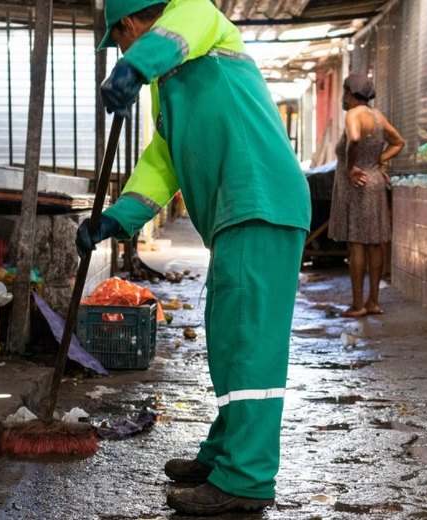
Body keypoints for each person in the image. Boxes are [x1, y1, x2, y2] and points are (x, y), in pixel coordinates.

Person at [75, 0, 311, 514]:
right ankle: (224, 454)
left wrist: (137, 65)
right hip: (242, 209)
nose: (119, 49)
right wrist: (116, 219)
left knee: (248, 343)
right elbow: (162, 163)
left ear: (133, 23)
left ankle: (245, 479)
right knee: (231, 337)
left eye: (118, 40)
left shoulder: (202, 20)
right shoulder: (170, 91)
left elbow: (183, 26)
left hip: (260, 201)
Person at [328, 73, 404, 318]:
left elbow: (356, 138)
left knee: (358, 243)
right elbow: (398, 142)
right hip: (374, 182)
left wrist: (351, 167)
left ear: (350, 93)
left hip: (358, 184)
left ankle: (358, 304)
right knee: (375, 242)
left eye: (344, 92)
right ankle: (373, 302)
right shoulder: (377, 116)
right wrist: (377, 161)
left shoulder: (353, 114)